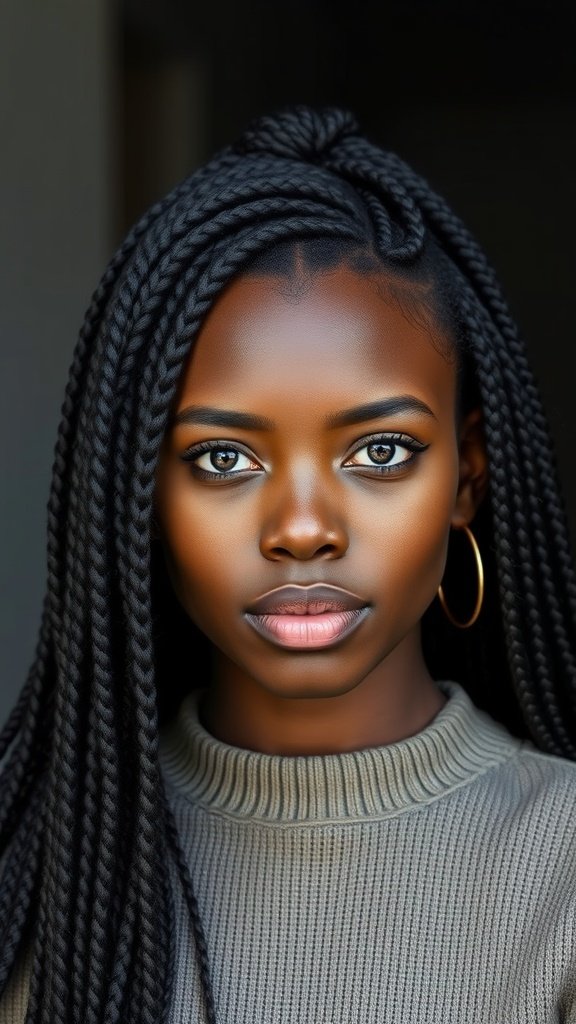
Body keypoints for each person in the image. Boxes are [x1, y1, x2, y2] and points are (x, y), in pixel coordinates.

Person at [1, 104, 576, 1024]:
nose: (303, 530)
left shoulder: (563, 873)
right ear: (140, 496)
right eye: (223, 459)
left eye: (380, 452)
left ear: (467, 478)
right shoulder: (39, 878)